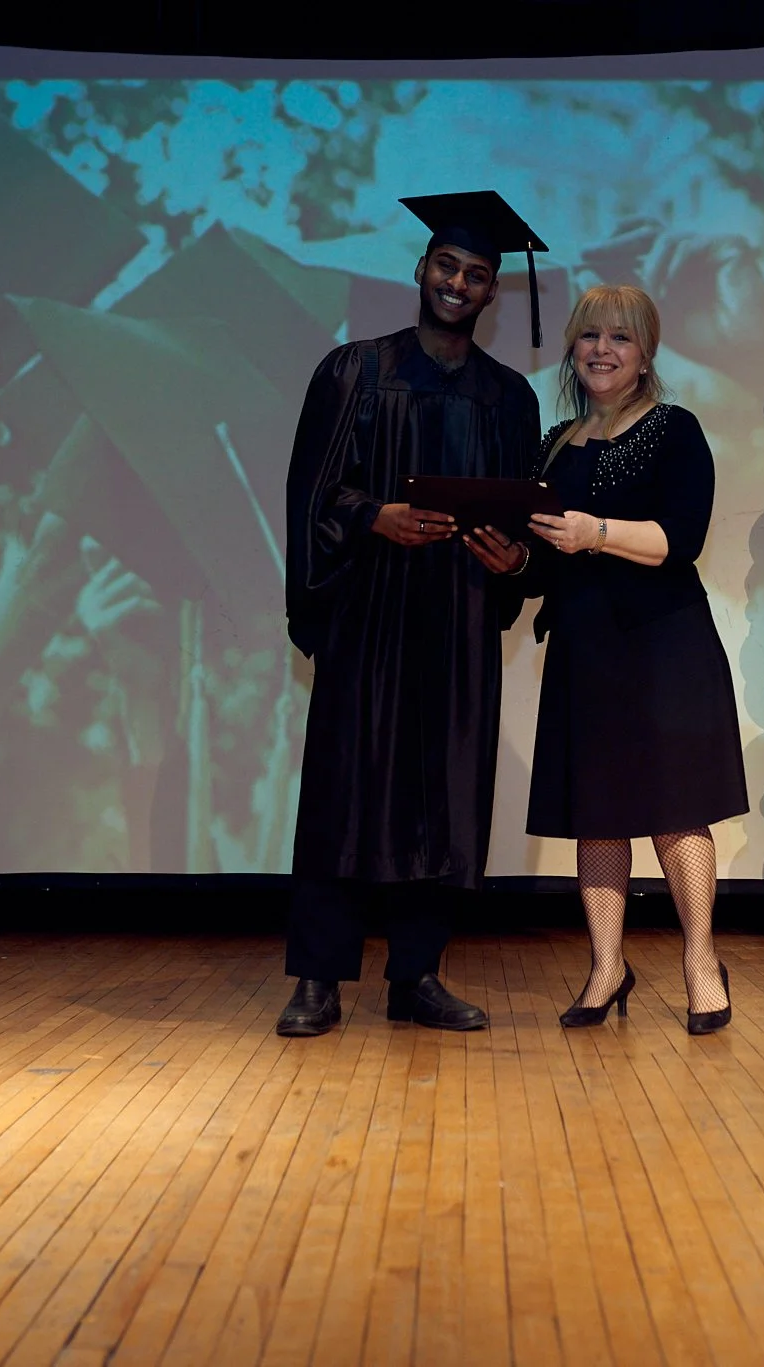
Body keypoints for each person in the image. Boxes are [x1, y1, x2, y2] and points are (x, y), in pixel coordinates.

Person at [276, 191, 544, 1038]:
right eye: (446, 266)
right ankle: (318, 979)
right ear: (420, 270)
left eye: (476, 274)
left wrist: (519, 561)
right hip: (371, 616)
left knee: (446, 796)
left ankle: (418, 974)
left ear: (492, 291)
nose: (458, 283)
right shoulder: (353, 371)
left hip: (461, 618)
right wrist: (373, 516)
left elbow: (522, 514)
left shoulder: (509, 398)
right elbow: (313, 492)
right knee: (345, 791)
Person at [521, 285, 750, 1034]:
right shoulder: (554, 442)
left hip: (663, 645)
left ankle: (699, 960)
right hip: (587, 648)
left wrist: (595, 531)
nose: (602, 350)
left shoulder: (673, 430)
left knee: (675, 811)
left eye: (620, 337)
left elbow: (679, 539)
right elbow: (540, 561)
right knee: (599, 815)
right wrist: (507, 558)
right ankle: (607, 966)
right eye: (589, 336)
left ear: (646, 352)